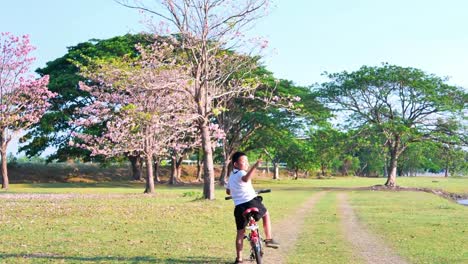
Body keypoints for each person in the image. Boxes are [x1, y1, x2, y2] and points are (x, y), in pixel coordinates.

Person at [226, 151, 279, 264]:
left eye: (247, 161)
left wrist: (236, 192)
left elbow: (228, 191)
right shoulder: (241, 173)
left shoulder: (231, 176)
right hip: (251, 202)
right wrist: (255, 167)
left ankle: (239, 259)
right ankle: (268, 239)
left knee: (240, 232)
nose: (246, 163)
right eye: (243, 161)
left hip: (239, 207)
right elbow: (245, 179)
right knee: (265, 214)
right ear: (235, 164)